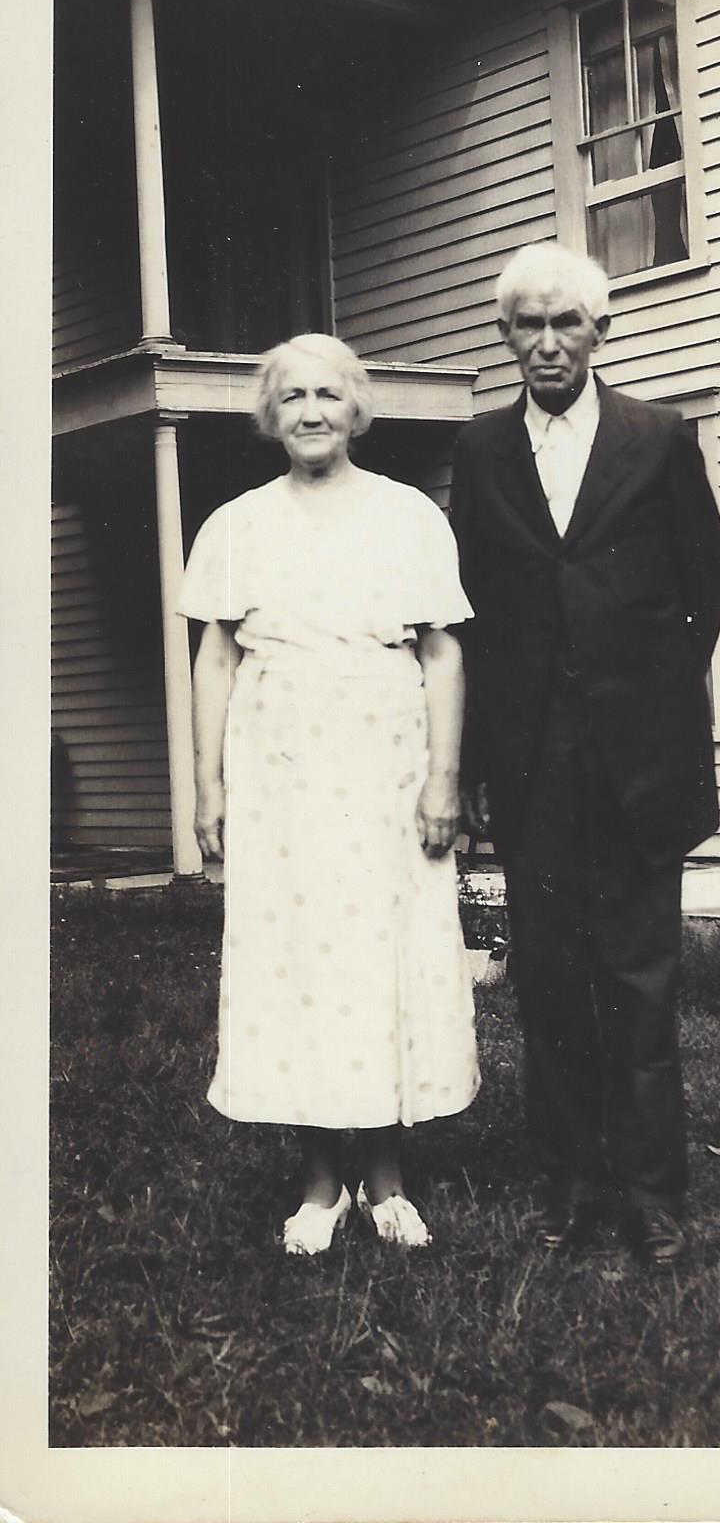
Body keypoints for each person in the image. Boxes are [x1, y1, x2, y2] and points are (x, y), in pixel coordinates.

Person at [449, 243, 720, 1268]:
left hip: (637, 762)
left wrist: (646, 705)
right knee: (551, 978)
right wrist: (481, 758)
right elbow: (471, 609)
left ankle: (652, 1193)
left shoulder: (657, 437)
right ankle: (568, 1180)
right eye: (527, 323)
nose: (547, 342)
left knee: (640, 979)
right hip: (532, 760)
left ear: (599, 331)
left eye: (566, 321)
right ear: (504, 335)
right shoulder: (480, 449)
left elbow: (702, 591)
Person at [180, 333, 479, 1256]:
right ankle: (320, 1183)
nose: (311, 411)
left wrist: (441, 779)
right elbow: (216, 658)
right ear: (270, 416)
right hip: (279, 773)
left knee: (383, 955)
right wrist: (208, 784)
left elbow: (442, 653)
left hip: (383, 767)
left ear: (357, 410)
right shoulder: (235, 526)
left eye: (328, 394)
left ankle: (385, 1178)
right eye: (293, 396)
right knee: (297, 961)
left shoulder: (407, 518)